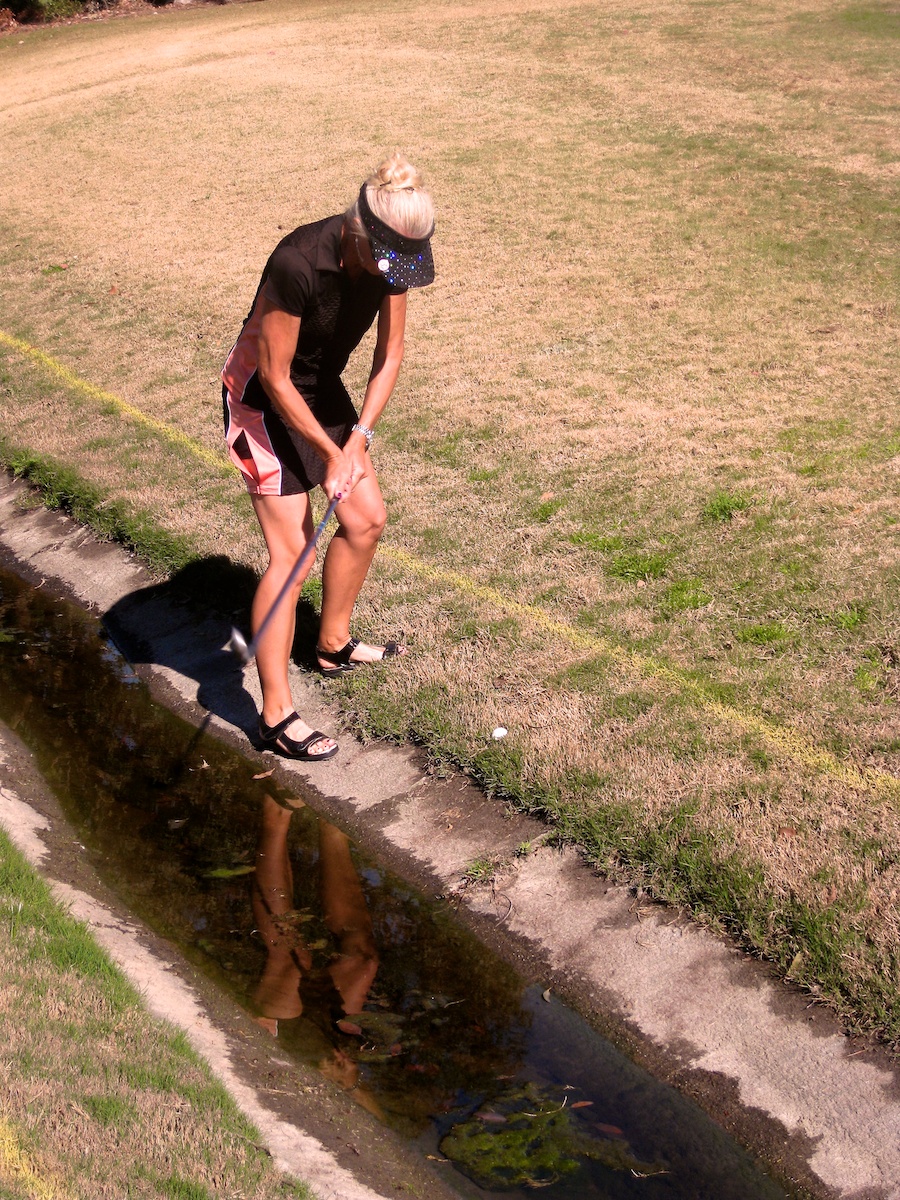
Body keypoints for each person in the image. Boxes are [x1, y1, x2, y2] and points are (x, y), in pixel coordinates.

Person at [222, 154, 435, 760]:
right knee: (291, 555)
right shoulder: (298, 263)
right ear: (359, 235)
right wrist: (327, 452)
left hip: (321, 389)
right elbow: (275, 375)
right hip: (261, 401)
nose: (393, 274)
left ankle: (331, 644)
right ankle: (274, 714)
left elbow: (388, 356)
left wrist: (357, 440)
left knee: (365, 517)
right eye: (386, 260)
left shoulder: (391, 258)